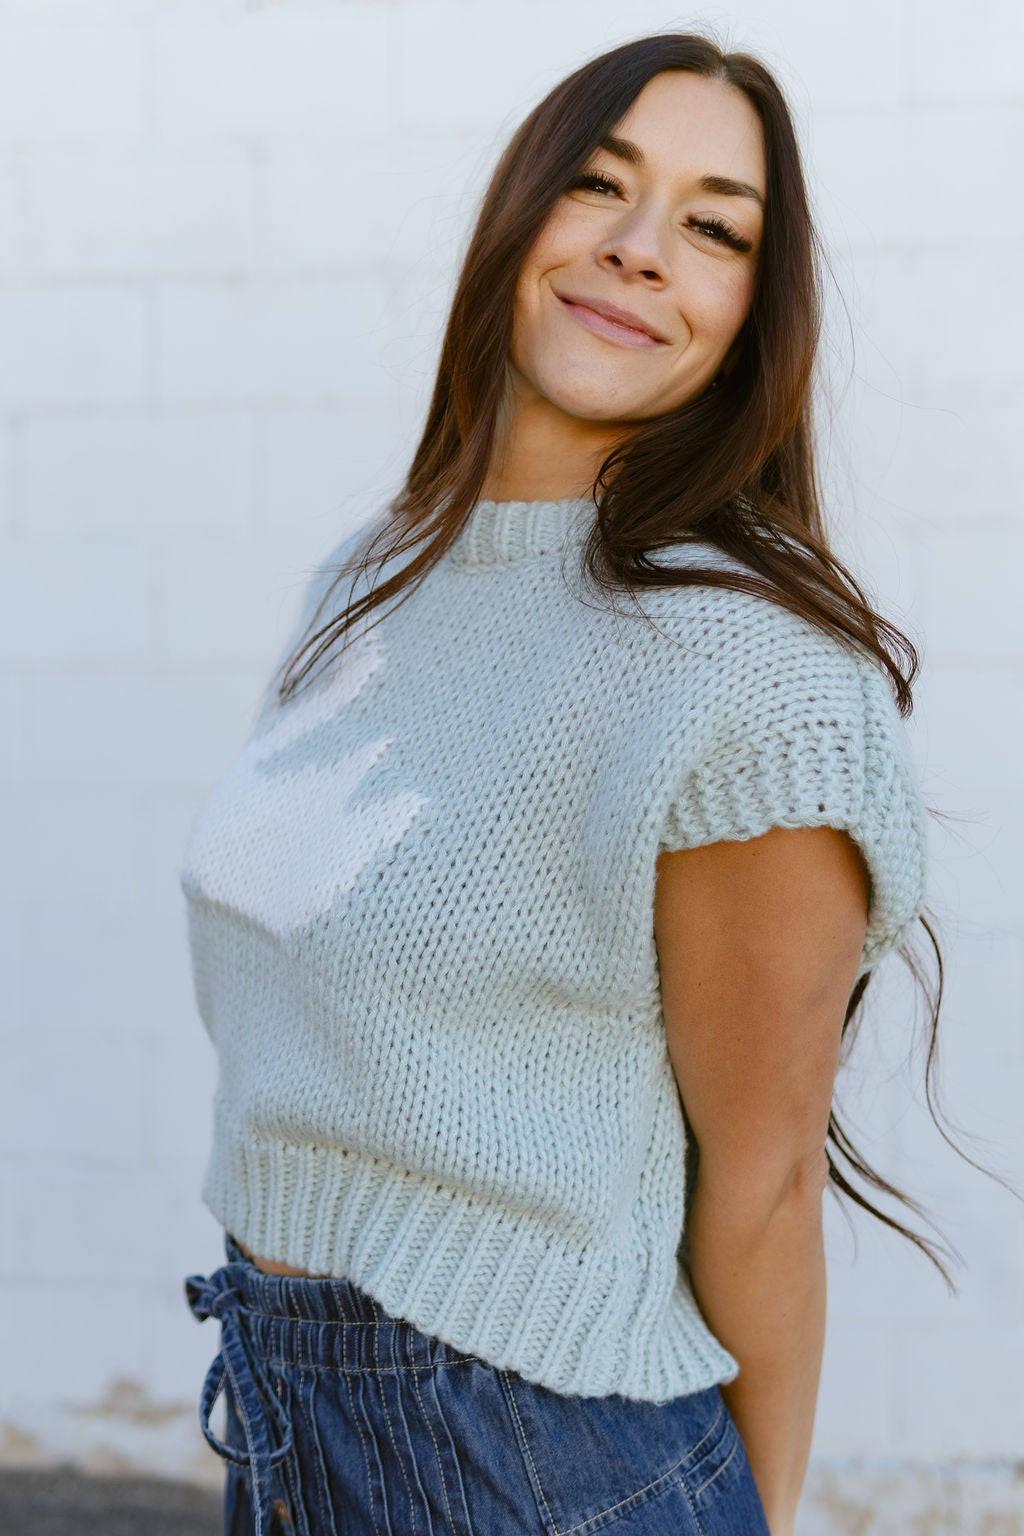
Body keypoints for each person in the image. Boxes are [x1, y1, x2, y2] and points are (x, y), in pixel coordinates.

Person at [180, 32, 936, 1536]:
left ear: (747, 314)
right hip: (285, 1420)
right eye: (602, 183)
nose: (642, 251)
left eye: (715, 228)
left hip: (545, 1465)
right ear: (521, 216)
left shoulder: (748, 673)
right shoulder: (378, 574)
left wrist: (764, 1516)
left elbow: (768, 1183)